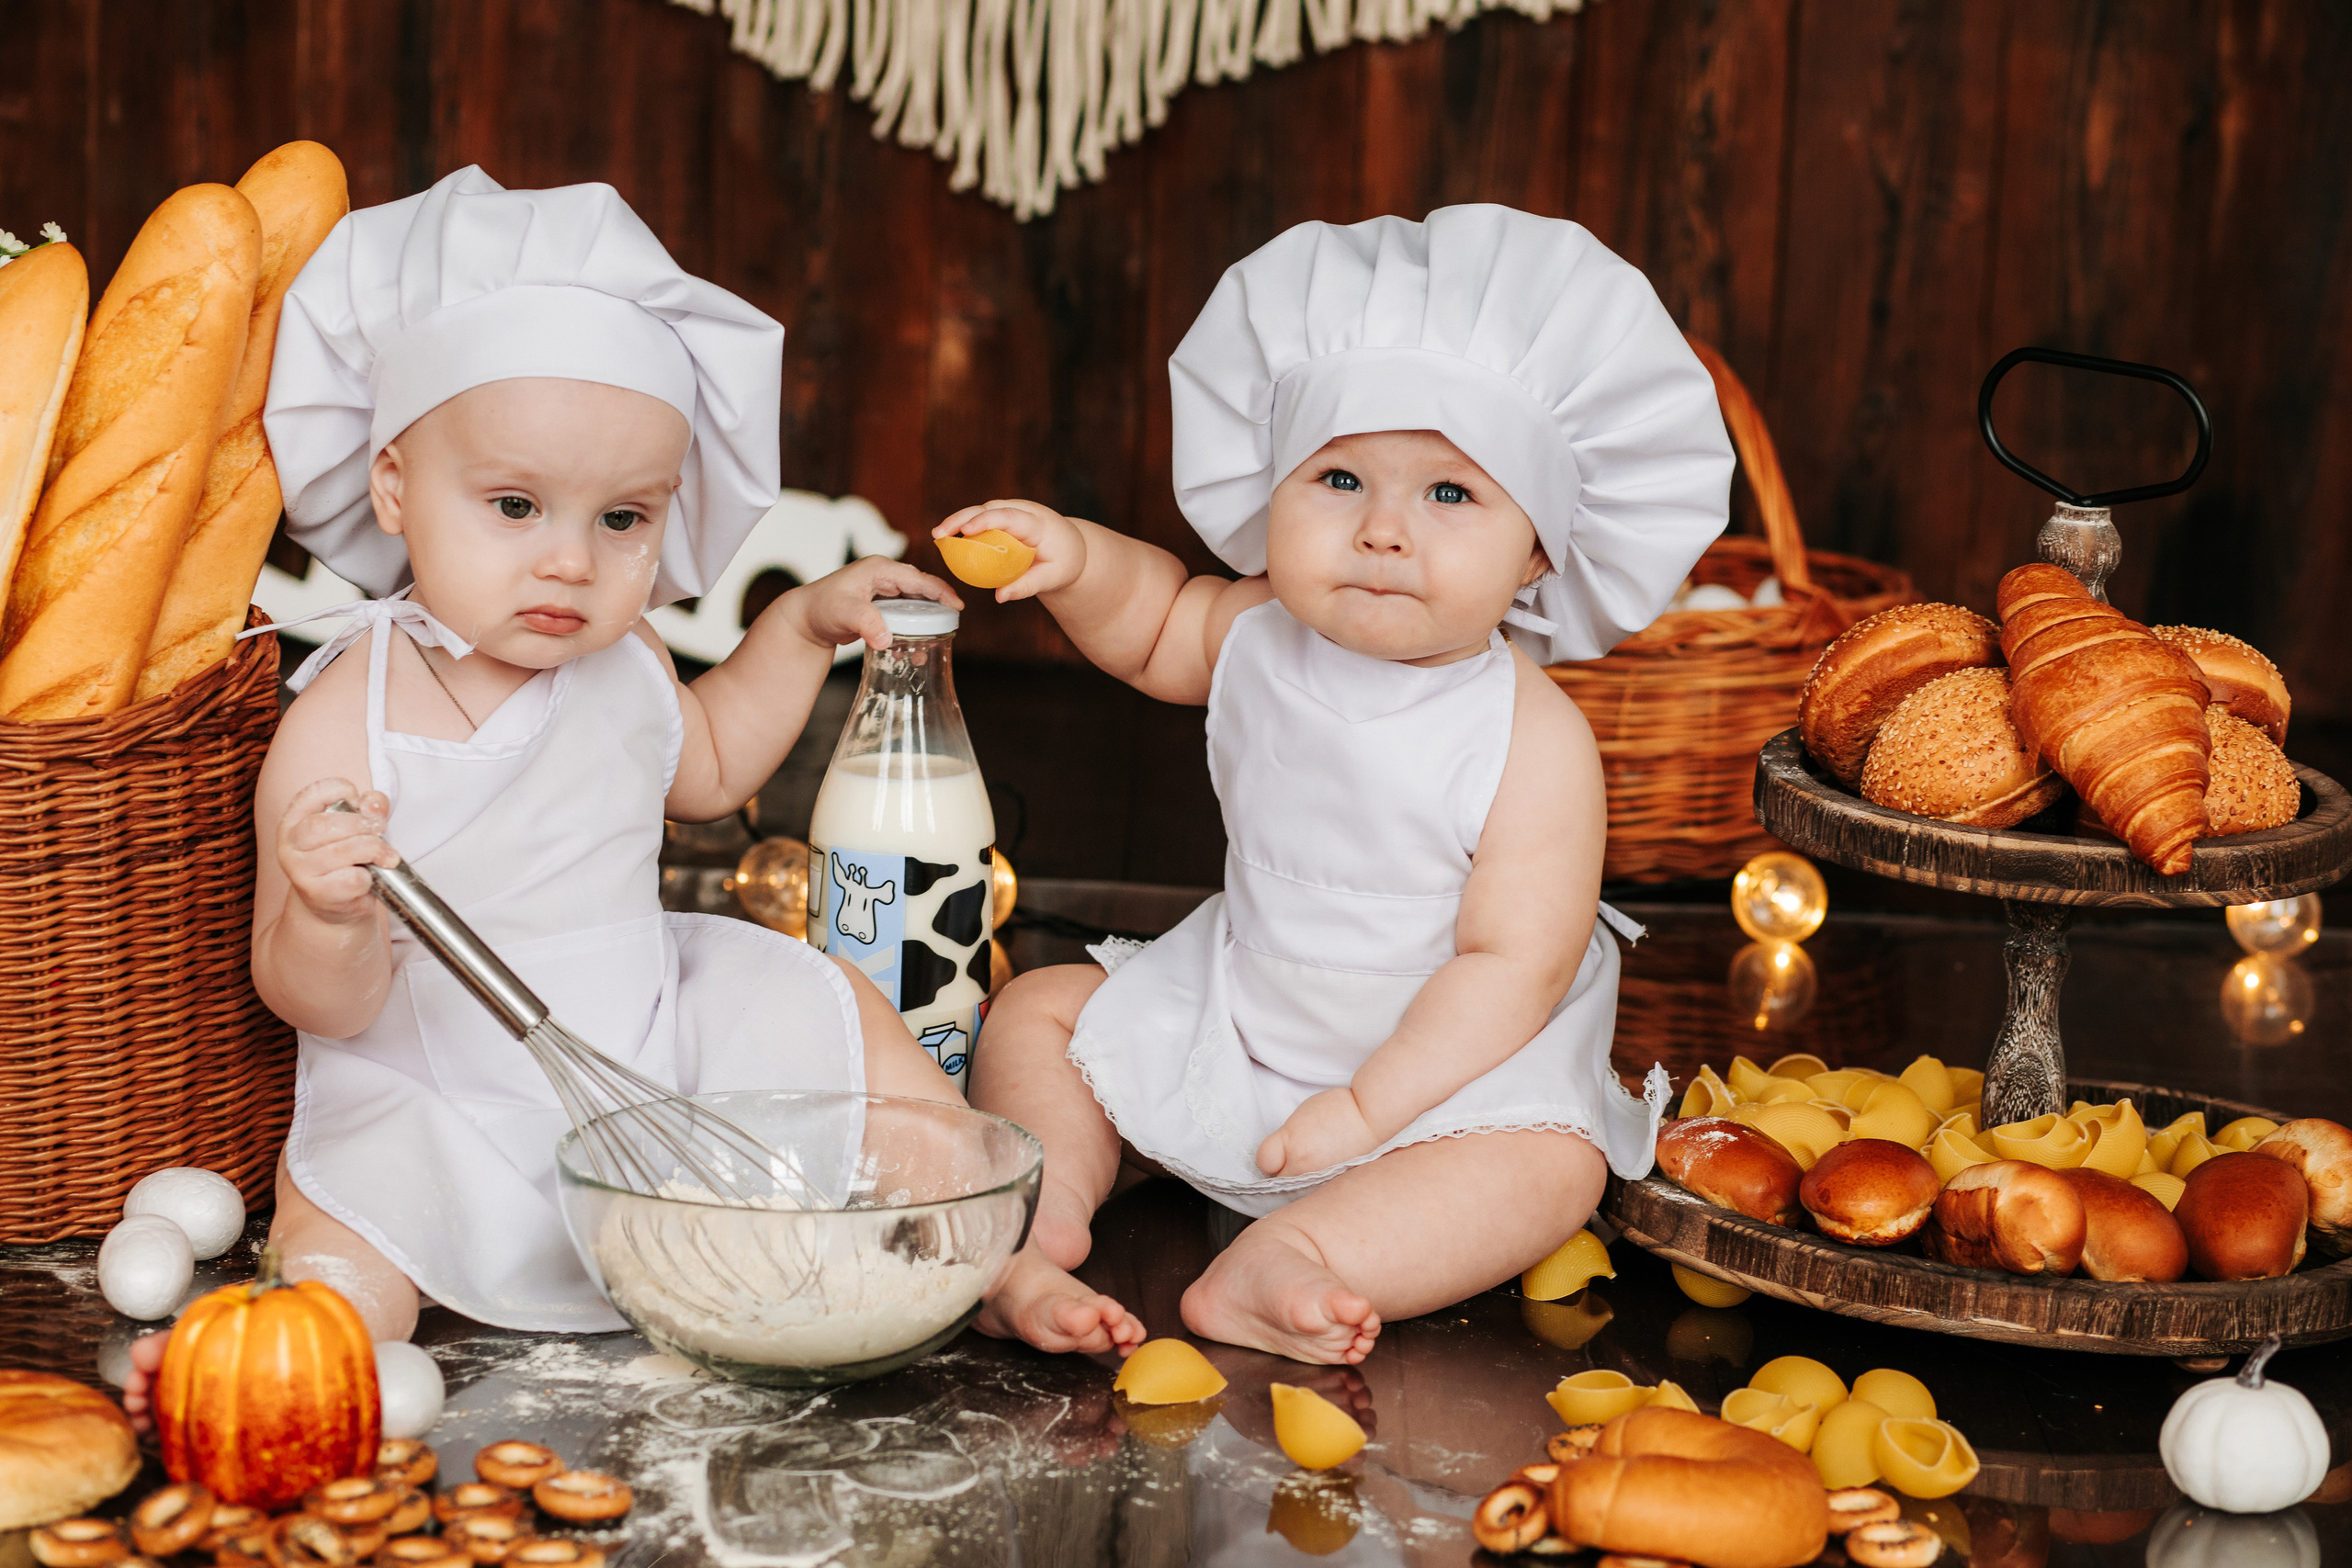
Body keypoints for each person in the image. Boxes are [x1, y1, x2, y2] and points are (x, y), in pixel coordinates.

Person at [124, 166, 961, 1420]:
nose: (569, 559)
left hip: (646, 1044)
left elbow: (715, 765)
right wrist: (329, 911)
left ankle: (979, 1226)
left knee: (823, 997)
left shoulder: (621, 662)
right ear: (396, 485)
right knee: (349, 1219)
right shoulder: (347, 713)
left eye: (623, 518)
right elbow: (312, 1000)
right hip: (433, 1075)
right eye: (514, 505)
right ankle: (287, 1356)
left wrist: (797, 627)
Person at [941, 205, 1733, 1364]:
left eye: (1450, 496)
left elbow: (1513, 966)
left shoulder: (1530, 736)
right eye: (1341, 479)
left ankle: (1305, 1258)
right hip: (1243, 1010)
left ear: (1542, 552)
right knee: (1040, 1010)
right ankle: (1044, 1205)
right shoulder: (1259, 627)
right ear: (1271, 494)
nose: (1381, 532)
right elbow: (1156, 621)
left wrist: (1371, 1109)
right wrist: (1073, 559)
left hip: (1440, 1079)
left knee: (1552, 1168)